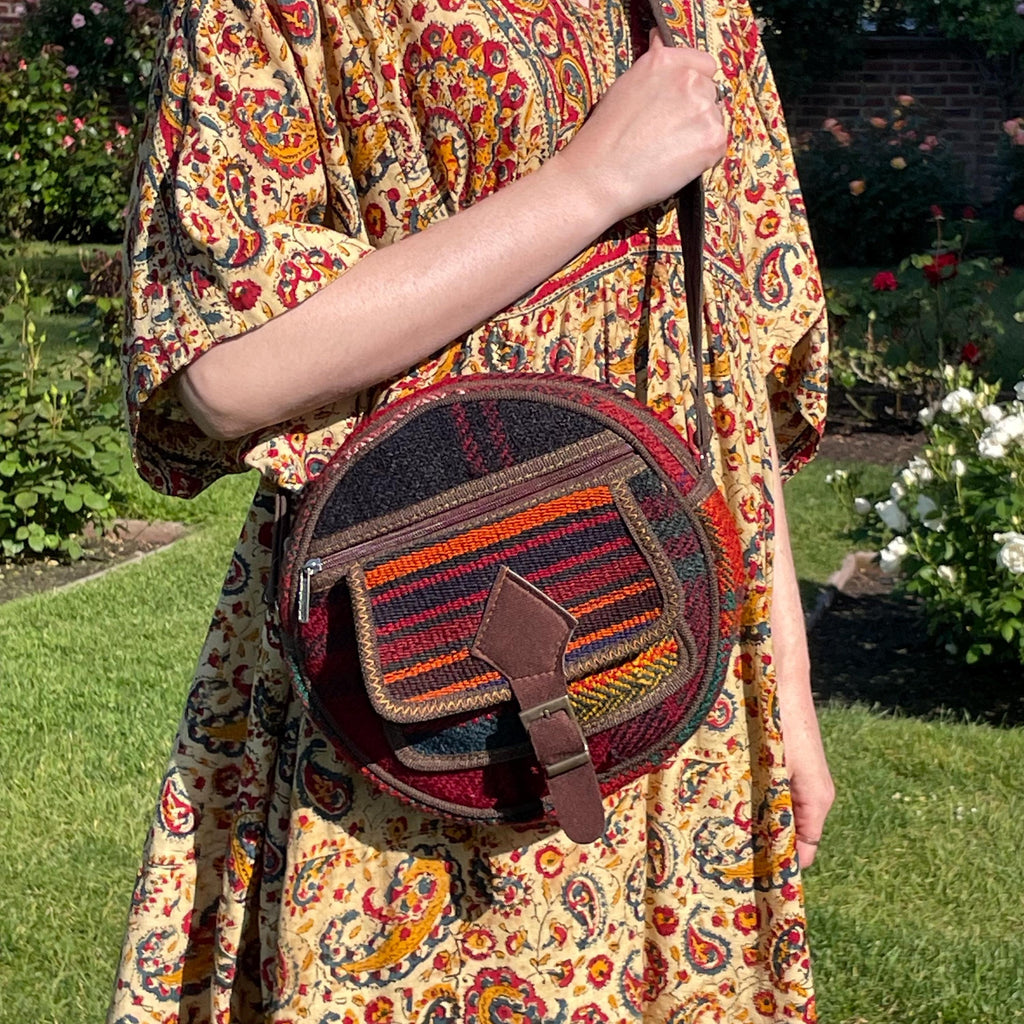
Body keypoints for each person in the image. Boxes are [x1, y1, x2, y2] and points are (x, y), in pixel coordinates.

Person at [110, 0, 834, 1017]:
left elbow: (735, 351)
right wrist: (589, 183)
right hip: (420, 643)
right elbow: (227, 365)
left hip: (679, 646)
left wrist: (785, 683)